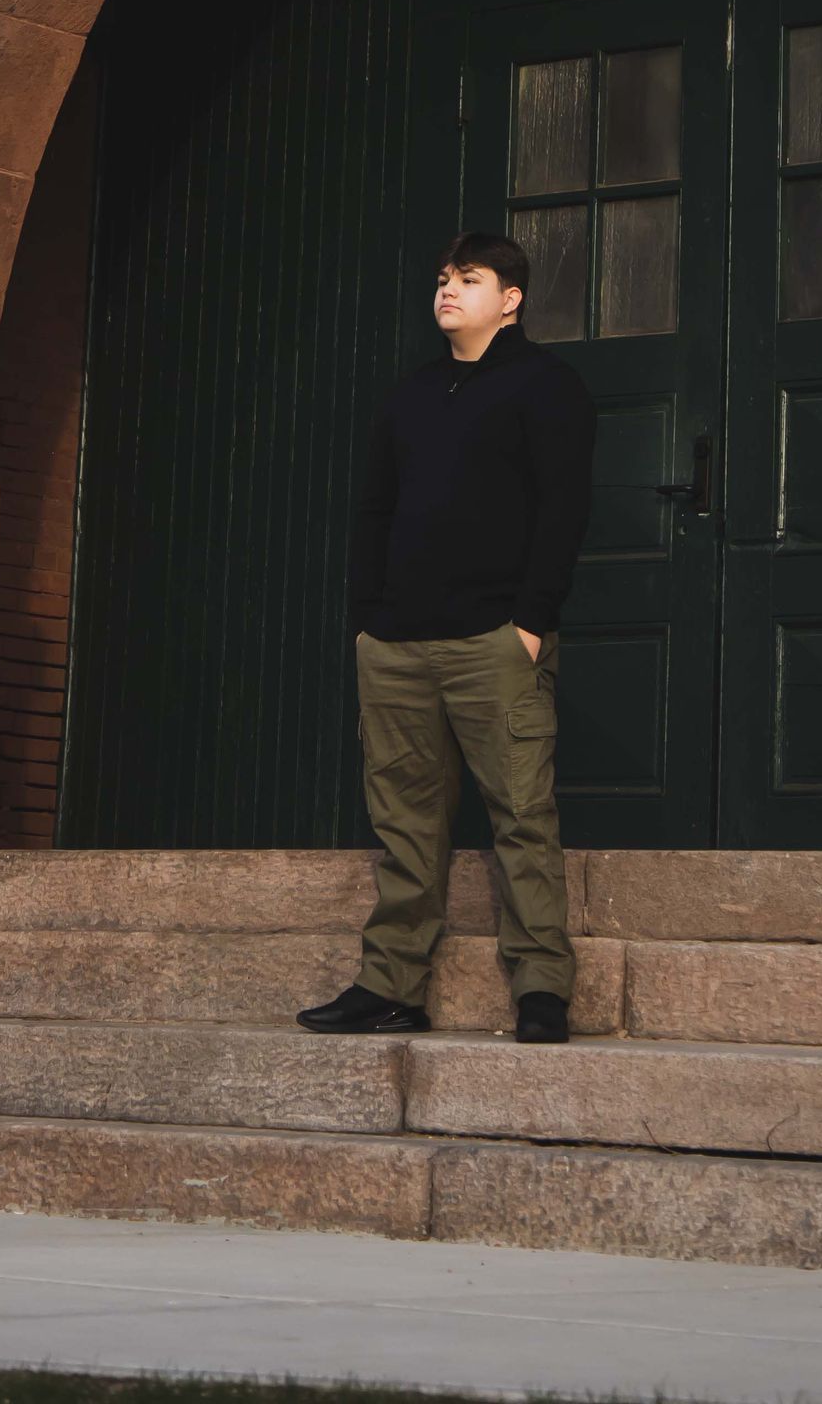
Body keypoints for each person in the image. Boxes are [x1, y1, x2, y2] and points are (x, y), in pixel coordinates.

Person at [297, 230, 595, 1045]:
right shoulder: (411, 395)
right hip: (395, 645)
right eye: (441, 277)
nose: (448, 289)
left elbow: (563, 509)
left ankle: (541, 989)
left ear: (511, 298)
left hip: (494, 640)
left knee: (522, 816)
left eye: (469, 277)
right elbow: (374, 513)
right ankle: (391, 985)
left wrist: (531, 623)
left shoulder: (547, 387)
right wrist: (367, 621)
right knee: (403, 824)